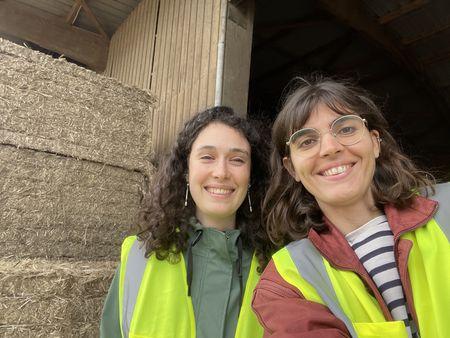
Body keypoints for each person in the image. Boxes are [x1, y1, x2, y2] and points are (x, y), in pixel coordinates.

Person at [251, 76, 450, 338]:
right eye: (307, 141)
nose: (330, 148)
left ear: (375, 142)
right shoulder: (286, 280)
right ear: (292, 169)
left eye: (346, 129)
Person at [100, 106, 273, 338]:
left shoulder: (276, 266)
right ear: (185, 170)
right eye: (207, 157)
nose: (221, 172)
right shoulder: (139, 256)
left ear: (252, 175)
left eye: (237, 159)